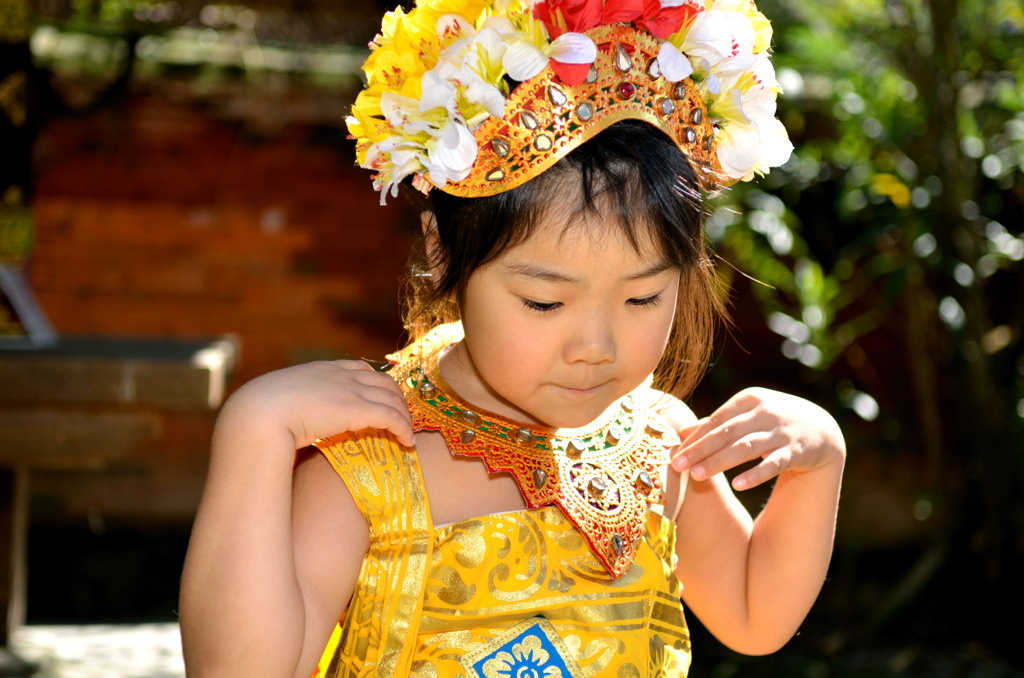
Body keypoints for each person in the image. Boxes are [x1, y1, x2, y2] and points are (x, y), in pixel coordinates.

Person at [179, 0, 846, 676]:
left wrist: (820, 461)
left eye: (643, 297)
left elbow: (756, 616)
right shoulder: (373, 458)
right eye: (544, 301)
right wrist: (254, 434)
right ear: (443, 255)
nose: (596, 346)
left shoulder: (658, 444)